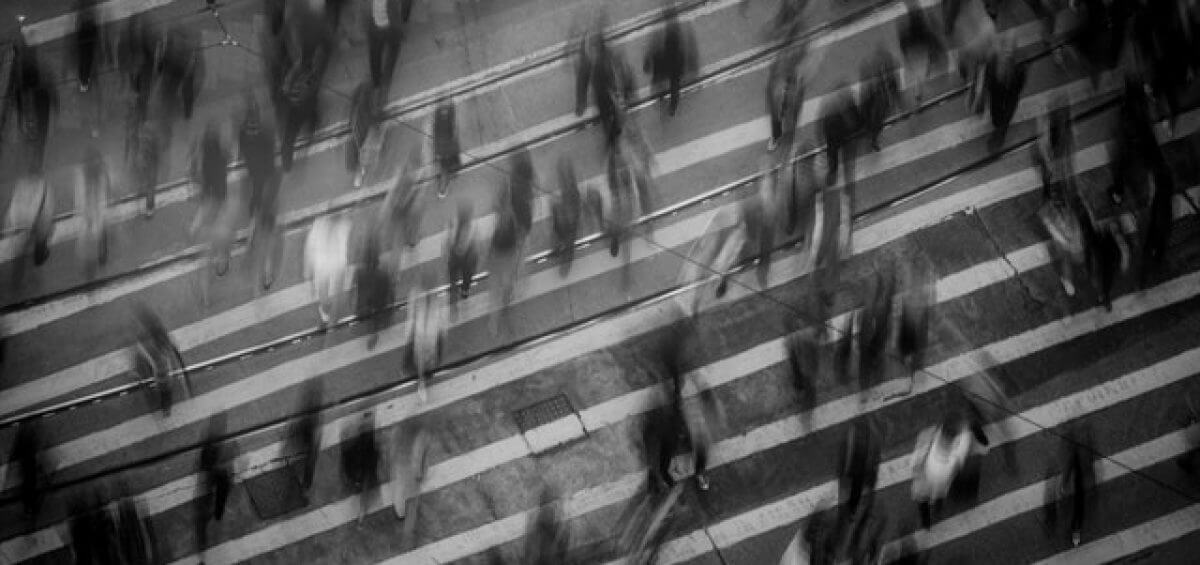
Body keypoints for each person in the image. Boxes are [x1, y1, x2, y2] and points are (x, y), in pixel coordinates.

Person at [132, 304, 190, 416]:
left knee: (163, 383)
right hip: (159, 360)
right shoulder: (153, 333)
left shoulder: (150, 335)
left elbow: (147, 346)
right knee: (163, 382)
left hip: (159, 363)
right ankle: (165, 405)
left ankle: (165, 405)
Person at [643, 3, 697, 117]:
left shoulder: (668, 42)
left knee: (663, 82)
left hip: (669, 62)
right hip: (674, 63)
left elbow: (656, 52)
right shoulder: (674, 42)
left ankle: (663, 98)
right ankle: (671, 106)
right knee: (674, 86)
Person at [5, 173, 56, 290]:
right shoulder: (41, 187)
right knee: (22, 256)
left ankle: (18, 283)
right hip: (33, 226)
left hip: (29, 226)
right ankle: (20, 282)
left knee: (21, 256)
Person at [305, 212, 353, 325]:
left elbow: (309, 248)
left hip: (332, 264)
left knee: (332, 292)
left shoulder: (341, 224)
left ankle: (328, 313)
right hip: (328, 265)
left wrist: (309, 273)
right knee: (328, 292)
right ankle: (329, 312)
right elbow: (310, 248)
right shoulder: (341, 223)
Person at [196, 415, 234, 555]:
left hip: (215, 476)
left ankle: (216, 514)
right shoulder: (214, 441)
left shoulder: (211, 440)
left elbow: (203, 460)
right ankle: (216, 515)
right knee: (216, 498)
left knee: (214, 497)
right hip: (216, 475)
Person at [405, 279, 447, 403]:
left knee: (428, 358)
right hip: (422, 336)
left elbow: (440, 317)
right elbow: (412, 316)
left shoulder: (435, 299)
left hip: (429, 336)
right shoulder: (419, 296)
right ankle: (422, 382)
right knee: (422, 360)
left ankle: (423, 379)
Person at [76, 147, 111, 279]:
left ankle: (96, 261)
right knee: (91, 240)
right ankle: (94, 263)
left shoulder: (98, 173)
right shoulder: (84, 175)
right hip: (90, 216)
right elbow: (81, 198)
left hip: (96, 214)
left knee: (97, 236)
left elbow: (104, 193)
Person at [356, 228, 394, 350]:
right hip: (380, 304)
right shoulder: (383, 274)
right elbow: (389, 291)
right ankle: (376, 330)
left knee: (370, 319)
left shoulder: (359, 272)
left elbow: (357, 289)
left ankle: (372, 333)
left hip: (364, 305)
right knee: (377, 317)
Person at [341, 411, 381, 524]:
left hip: (363, 464)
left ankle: (361, 515)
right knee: (365, 488)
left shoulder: (360, 445)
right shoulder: (368, 443)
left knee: (363, 487)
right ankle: (361, 514)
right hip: (366, 465)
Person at [858, 49, 900, 152]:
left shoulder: (883, 71)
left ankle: (872, 137)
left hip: (876, 99)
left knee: (875, 120)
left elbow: (893, 87)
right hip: (873, 98)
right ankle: (871, 137)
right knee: (873, 119)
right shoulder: (875, 70)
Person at [766, 43, 805, 152]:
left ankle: (780, 137)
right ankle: (778, 137)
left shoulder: (791, 69)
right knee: (779, 119)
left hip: (788, 97)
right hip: (782, 97)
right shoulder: (780, 65)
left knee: (787, 119)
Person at [363, 0, 404, 92]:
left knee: (375, 55)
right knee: (393, 50)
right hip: (388, 28)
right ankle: (386, 78)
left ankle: (376, 81)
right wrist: (400, 31)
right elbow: (395, 14)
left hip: (374, 26)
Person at [551, 157, 582, 276]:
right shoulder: (567, 239)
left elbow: (558, 228)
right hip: (571, 212)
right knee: (569, 188)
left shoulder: (566, 238)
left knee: (568, 188)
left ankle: (565, 166)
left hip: (570, 213)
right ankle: (565, 166)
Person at [446, 201, 478, 305]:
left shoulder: (454, 222)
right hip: (467, 256)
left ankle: (455, 291)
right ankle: (464, 291)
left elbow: (449, 238)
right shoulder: (472, 225)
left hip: (457, 256)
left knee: (454, 275)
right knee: (467, 274)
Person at [431, 99, 460, 197]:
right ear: (446, 187)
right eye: (443, 189)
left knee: (440, 126)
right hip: (447, 146)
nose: (442, 186)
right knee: (448, 124)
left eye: (441, 189)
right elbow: (456, 158)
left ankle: (440, 107)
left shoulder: (437, 175)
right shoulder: (453, 174)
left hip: (441, 147)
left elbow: (435, 161)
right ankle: (450, 104)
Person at [74, 0, 100, 93]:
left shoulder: (86, 74)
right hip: (84, 45)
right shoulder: (82, 75)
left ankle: (85, 7)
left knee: (87, 23)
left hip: (87, 45)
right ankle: (84, 8)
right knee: (85, 23)